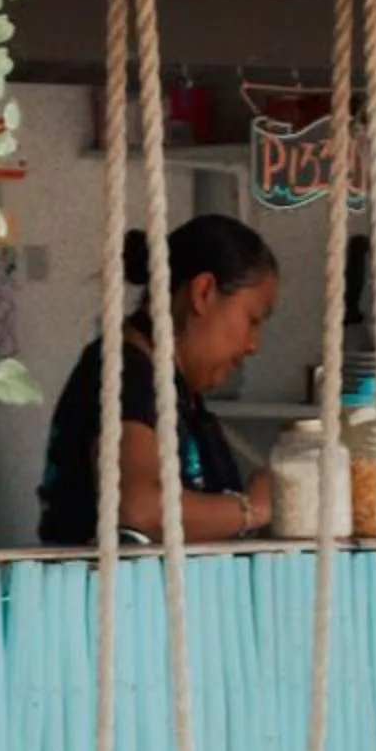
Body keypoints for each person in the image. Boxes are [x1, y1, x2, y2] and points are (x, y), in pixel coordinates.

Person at [38, 215, 279, 545]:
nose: (254, 345)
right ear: (203, 293)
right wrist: (253, 510)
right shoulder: (125, 374)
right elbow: (139, 510)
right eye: (252, 320)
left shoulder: (178, 391)